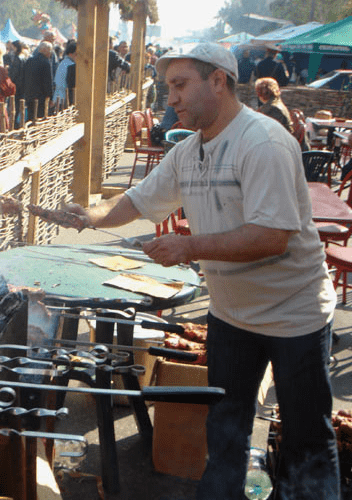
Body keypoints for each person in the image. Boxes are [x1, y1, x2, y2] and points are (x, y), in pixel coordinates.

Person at [61, 42, 340, 500]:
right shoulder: (189, 150)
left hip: (296, 318)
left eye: (180, 85)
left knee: (307, 441)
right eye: (169, 87)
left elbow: (272, 237)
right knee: (225, 431)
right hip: (232, 318)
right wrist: (90, 216)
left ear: (218, 81)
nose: (170, 98)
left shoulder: (264, 142)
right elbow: (137, 200)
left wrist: (188, 246)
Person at [23, 41, 53, 121]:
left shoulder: (29, 60)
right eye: (50, 51)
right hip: (41, 97)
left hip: (29, 95)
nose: (50, 53)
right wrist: (50, 97)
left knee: (31, 117)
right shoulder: (46, 62)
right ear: (45, 50)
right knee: (40, 118)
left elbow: (24, 77)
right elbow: (48, 82)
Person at [53, 40, 76, 108]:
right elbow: (72, 85)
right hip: (64, 99)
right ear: (71, 54)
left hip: (58, 97)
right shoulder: (71, 65)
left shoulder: (63, 63)